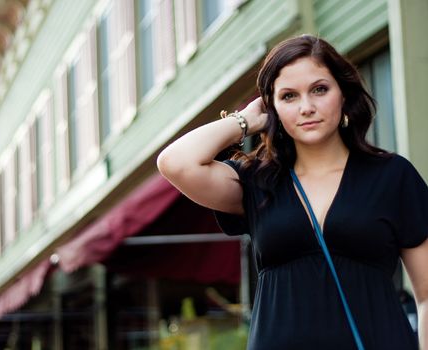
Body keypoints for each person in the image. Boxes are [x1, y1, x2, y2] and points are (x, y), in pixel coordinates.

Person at [157, 34, 428, 349]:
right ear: (272, 108)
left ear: (343, 94)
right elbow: (175, 163)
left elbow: (426, 296)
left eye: (319, 89)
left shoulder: (393, 177)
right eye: (289, 96)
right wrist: (245, 120)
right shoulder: (257, 182)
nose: (307, 107)